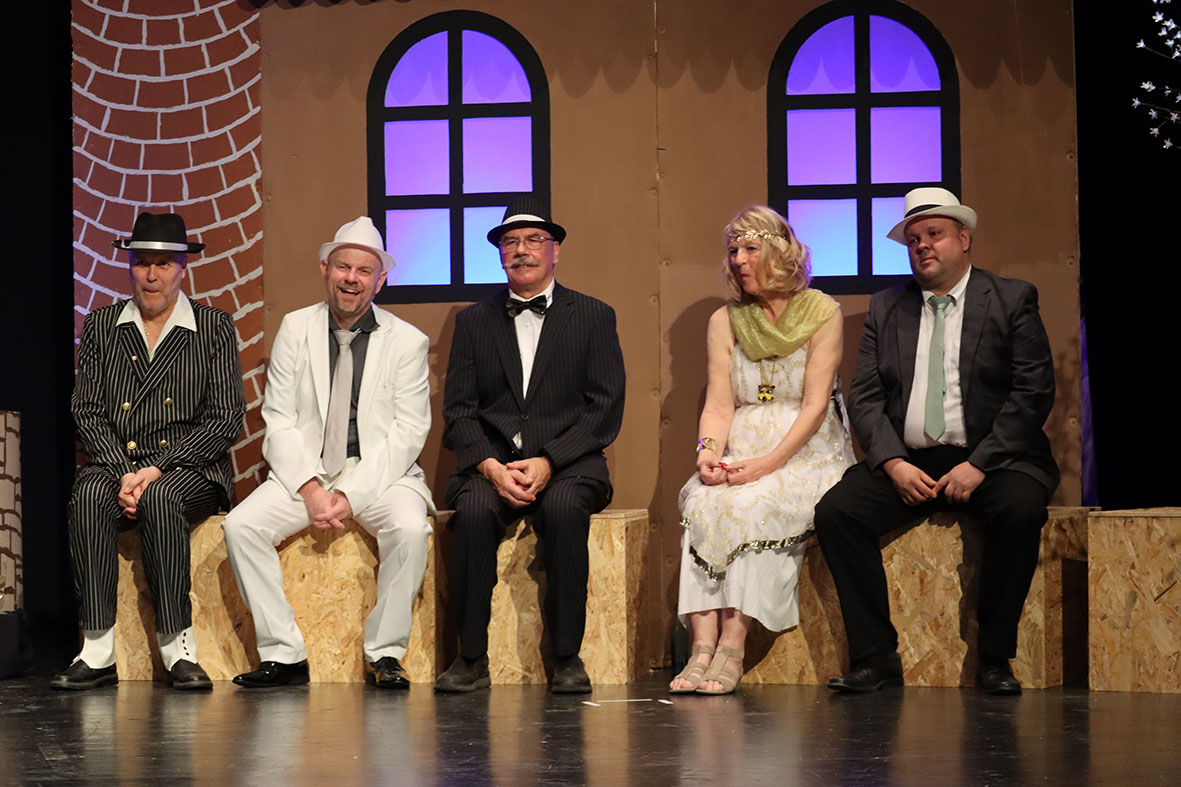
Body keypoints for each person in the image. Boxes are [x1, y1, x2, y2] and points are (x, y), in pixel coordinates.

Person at [814, 188, 1059, 695]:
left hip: (993, 458)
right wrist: (892, 463)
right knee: (838, 513)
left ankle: (995, 658)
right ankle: (876, 657)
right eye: (913, 239)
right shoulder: (887, 307)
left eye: (934, 234)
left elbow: (1033, 391)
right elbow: (864, 397)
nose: (922, 245)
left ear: (964, 239)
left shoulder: (1011, 298)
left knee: (1019, 510)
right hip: (913, 460)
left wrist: (981, 464)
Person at [222, 217, 433, 690]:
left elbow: (408, 432)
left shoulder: (407, 341)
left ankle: (385, 653)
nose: (351, 278)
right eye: (343, 267)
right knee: (241, 526)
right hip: (307, 472)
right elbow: (278, 419)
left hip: (380, 473)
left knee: (409, 529)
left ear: (380, 280)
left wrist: (352, 496)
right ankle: (284, 653)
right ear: (325, 269)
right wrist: (312, 489)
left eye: (364, 270)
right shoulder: (296, 328)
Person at [436, 197, 626, 694]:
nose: (521, 250)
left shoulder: (593, 315)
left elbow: (604, 409)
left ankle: (567, 658)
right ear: (500, 254)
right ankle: (470, 657)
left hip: (569, 464)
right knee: (472, 514)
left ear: (555, 250)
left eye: (533, 240)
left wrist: (549, 460)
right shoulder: (473, 321)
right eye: (510, 242)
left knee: (563, 511)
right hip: (492, 463)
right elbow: (459, 411)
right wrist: (490, 467)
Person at [53, 212, 246, 691]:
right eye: (142, 263)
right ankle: (97, 650)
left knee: (161, 496)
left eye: (163, 264)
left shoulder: (213, 327)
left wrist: (158, 468)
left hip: (189, 466)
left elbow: (225, 418)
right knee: (88, 493)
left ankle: (178, 648)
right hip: (117, 463)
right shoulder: (103, 325)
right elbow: (87, 410)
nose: (152, 275)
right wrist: (125, 471)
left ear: (182, 268)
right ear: (131, 267)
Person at [670, 205, 853, 695]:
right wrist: (707, 452)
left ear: (778, 251)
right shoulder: (725, 320)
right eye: (733, 250)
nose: (738, 260)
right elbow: (718, 402)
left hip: (805, 449)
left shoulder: (822, 312)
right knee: (703, 501)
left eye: (750, 248)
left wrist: (769, 464)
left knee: (753, 504)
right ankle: (701, 646)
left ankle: (733, 645)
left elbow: (816, 404)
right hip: (743, 446)